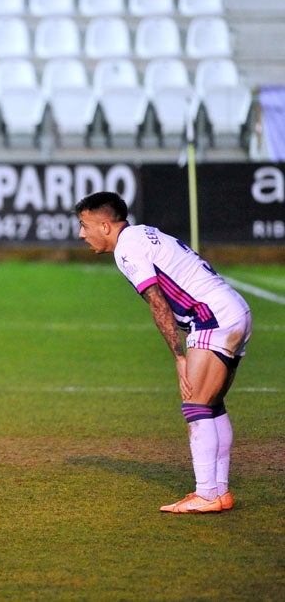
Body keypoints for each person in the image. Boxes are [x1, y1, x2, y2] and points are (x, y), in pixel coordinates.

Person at [75, 191, 252, 514]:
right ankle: (218, 492)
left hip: (211, 317)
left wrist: (180, 357)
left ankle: (206, 494)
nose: (80, 234)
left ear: (105, 225)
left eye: (84, 225)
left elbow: (157, 301)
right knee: (210, 404)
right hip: (232, 309)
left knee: (195, 404)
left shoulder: (127, 249)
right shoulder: (144, 233)